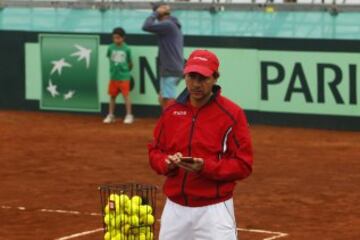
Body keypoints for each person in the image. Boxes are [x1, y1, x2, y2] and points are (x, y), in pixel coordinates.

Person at [148, 49, 254, 240]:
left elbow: (243, 165)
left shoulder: (232, 114)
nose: (195, 84)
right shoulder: (171, 111)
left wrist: (206, 167)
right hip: (175, 210)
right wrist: (167, 163)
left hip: (214, 211)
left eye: (203, 78)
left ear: (215, 78)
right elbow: (155, 152)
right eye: (191, 76)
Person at [142, 3, 184, 109]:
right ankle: (167, 121)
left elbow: (146, 26)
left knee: (168, 99)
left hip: (171, 68)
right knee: (162, 98)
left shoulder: (168, 24)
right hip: (170, 68)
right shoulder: (171, 24)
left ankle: (172, 122)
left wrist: (155, 13)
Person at [103, 27, 134, 124]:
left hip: (124, 77)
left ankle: (129, 115)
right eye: (114, 38)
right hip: (113, 77)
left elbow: (130, 63)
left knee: (126, 96)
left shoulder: (127, 49)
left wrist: (125, 71)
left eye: (118, 38)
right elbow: (109, 58)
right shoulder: (110, 48)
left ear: (123, 38)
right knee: (112, 96)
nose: (116, 40)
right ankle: (111, 115)